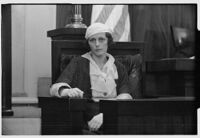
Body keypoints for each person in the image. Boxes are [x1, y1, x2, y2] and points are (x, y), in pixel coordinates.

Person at [50, 22, 132, 133]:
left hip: (114, 118)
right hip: (85, 120)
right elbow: (56, 88)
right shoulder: (78, 63)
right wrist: (67, 91)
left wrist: (106, 115)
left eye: (101, 39)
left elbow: (125, 95)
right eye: (92, 40)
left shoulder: (119, 66)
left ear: (108, 41)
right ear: (88, 43)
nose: (97, 44)